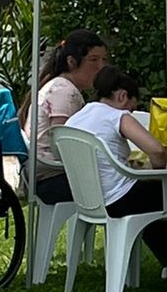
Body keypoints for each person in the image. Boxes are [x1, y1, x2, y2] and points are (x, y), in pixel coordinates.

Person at [64, 66, 167, 270]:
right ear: (123, 96)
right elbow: (157, 151)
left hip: (88, 200)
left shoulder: (75, 120)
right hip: (120, 199)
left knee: (150, 202)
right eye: (132, 107)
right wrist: (156, 171)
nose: (130, 112)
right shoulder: (117, 116)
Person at [19, 29, 108, 205]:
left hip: (41, 174)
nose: (101, 67)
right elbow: (63, 145)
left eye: (103, 60)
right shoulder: (65, 92)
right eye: (93, 60)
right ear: (72, 62)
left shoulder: (58, 86)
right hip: (52, 177)